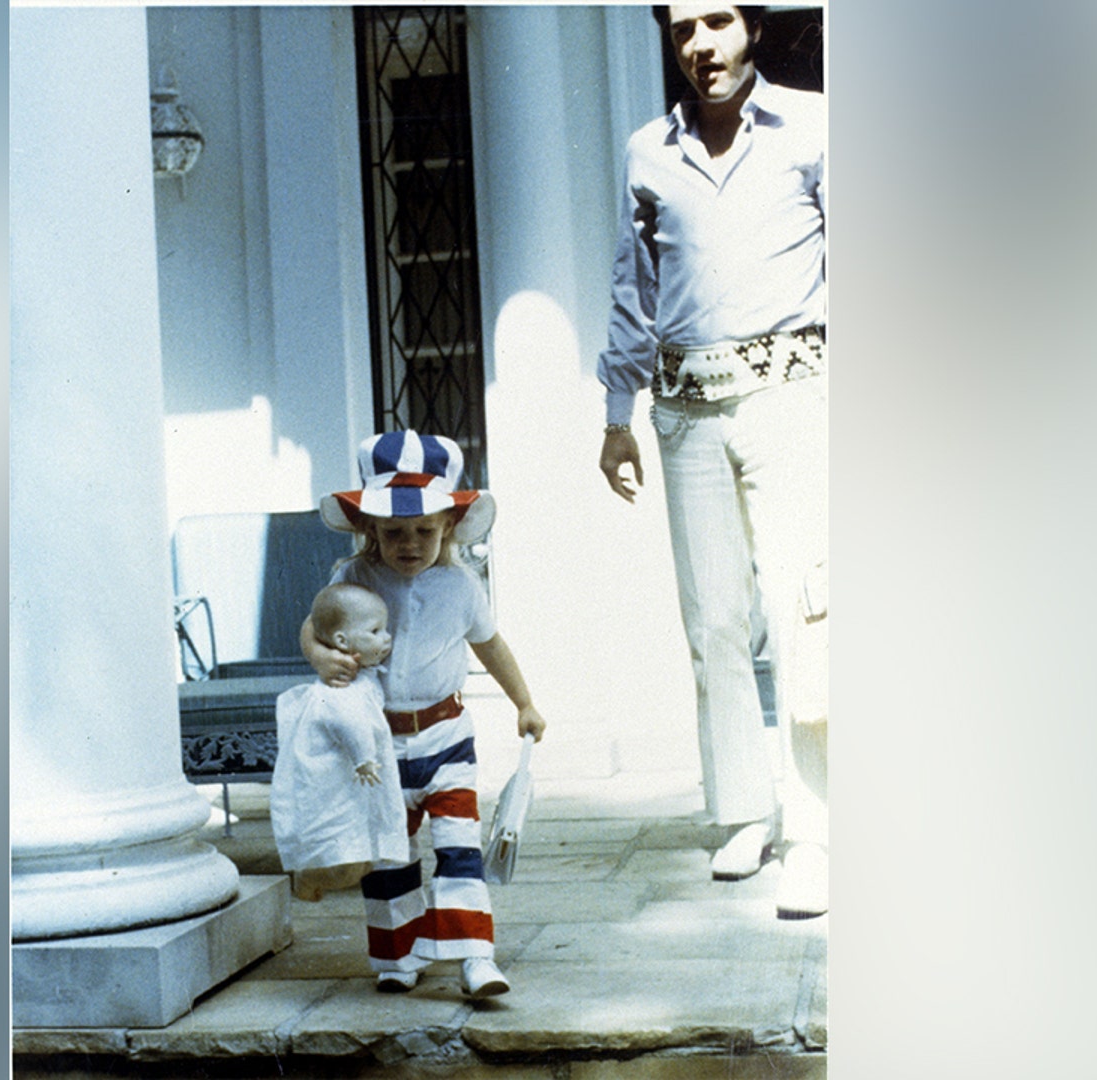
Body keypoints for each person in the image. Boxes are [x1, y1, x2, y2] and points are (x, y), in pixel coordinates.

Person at [596, 3, 829, 917]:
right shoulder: (647, 149)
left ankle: (814, 831)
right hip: (686, 411)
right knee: (715, 621)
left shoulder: (814, 123)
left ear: (754, 29)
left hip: (792, 397)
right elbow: (633, 282)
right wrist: (618, 411)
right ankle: (743, 812)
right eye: (684, 27)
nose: (701, 46)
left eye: (719, 21)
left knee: (802, 609)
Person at [303, 431, 548, 997]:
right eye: (393, 532)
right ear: (369, 529)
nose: (409, 543)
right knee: (389, 852)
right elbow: (314, 626)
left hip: (445, 736)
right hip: (377, 742)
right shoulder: (353, 578)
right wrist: (320, 654)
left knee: (459, 844)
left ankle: (475, 956)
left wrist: (525, 701)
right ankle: (398, 955)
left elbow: (490, 644)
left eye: (424, 531)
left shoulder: (460, 584)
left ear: (448, 529)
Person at [271, 583, 410, 902]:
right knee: (349, 859)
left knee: (362, 855)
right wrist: (364, 758)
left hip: (354, 782)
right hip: (349, 777)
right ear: (343, 642)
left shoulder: (361, 677)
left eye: (385, 629)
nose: (386, 638)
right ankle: (308, 879)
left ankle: (312, 875)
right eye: (375, 630)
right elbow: (351, 723)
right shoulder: (342, 688)